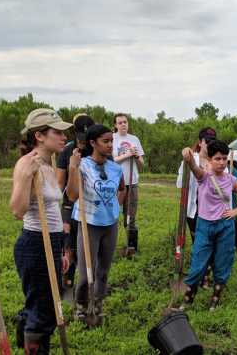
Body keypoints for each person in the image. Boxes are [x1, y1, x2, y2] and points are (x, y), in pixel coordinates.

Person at [9, 108, 72, 353]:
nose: (63, 136)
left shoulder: (48, 162)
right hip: (34, 245)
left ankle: (25, 337)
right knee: (43, 312)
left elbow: (53, 212)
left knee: (43, 303)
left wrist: (61, 251)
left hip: (52, 241)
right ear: (39, 136)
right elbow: (17, 210)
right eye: (57, 132)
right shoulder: (27, 164)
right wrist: (25, 177)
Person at [179, 140, 237, 311]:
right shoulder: (203, 176)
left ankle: (215, 301)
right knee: (198, 263)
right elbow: (193, 167)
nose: (221, 162)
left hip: (225, 226)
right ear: (210, 160)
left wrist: (235, 211)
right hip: (204, 226)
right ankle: (188, 300)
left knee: (223, 262)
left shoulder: (231, 180)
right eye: (217, 159)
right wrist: (188, 154)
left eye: (224, 159)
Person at [66, 125, 126, 319]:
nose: (110, 145)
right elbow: (73, 195)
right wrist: (73, 167)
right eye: (105, 141)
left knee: (103, 273)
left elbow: (123, 189)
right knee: (84, 276)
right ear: (93, 143)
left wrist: (113, 208)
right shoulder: (82, 165)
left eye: (111, 141)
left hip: (109, 226)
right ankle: (80, 309)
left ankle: (98, 309)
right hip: (88, 224)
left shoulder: (116, 168)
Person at [56, 114, 95, 295]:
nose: (82, 141)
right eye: (80, 137)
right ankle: (66, 287)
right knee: (70, 250)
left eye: (86, 138)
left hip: (91, 206)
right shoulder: (66, 151)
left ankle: (84, 290)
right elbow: (59, 184)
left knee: (87, 251)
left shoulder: (96, 151)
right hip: (70, 207)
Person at [112, 113, 144, 253]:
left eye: (125, 122)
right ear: (115, 125)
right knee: (112, 213)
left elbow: (141, 163)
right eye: (120, 123)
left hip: (132, 181)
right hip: (116, 182)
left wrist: (136, 156)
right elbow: (110, 160)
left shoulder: (134, 139)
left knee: (130, 215)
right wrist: (127, 155)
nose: (123, 125)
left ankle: (132, 246)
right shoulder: (111, 138)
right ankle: (109, 245)